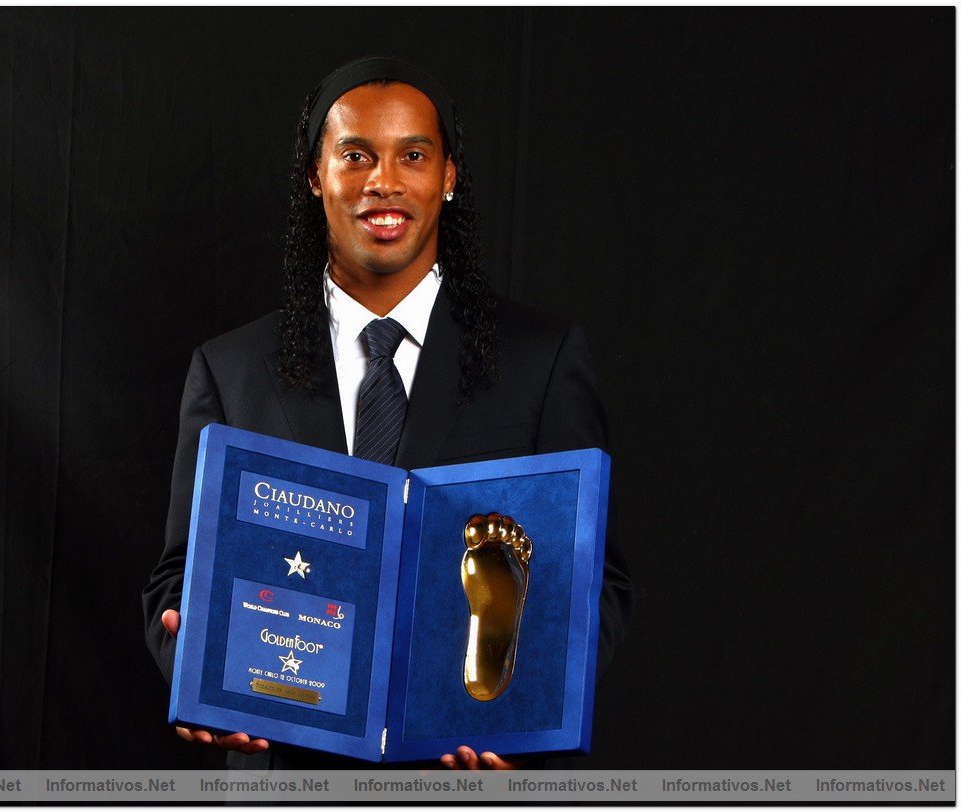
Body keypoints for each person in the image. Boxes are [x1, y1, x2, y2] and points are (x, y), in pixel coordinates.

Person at [142, 56, 632, 771]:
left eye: (413, 155)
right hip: (286, 769)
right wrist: (197, 677)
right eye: (355, 156)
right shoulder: (232, 368)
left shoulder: (541, 359)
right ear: (316, 177)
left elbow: (601, 584)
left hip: (460, 773)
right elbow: (177, 578)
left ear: (449, 177)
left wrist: (529, 719)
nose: (385, 181)